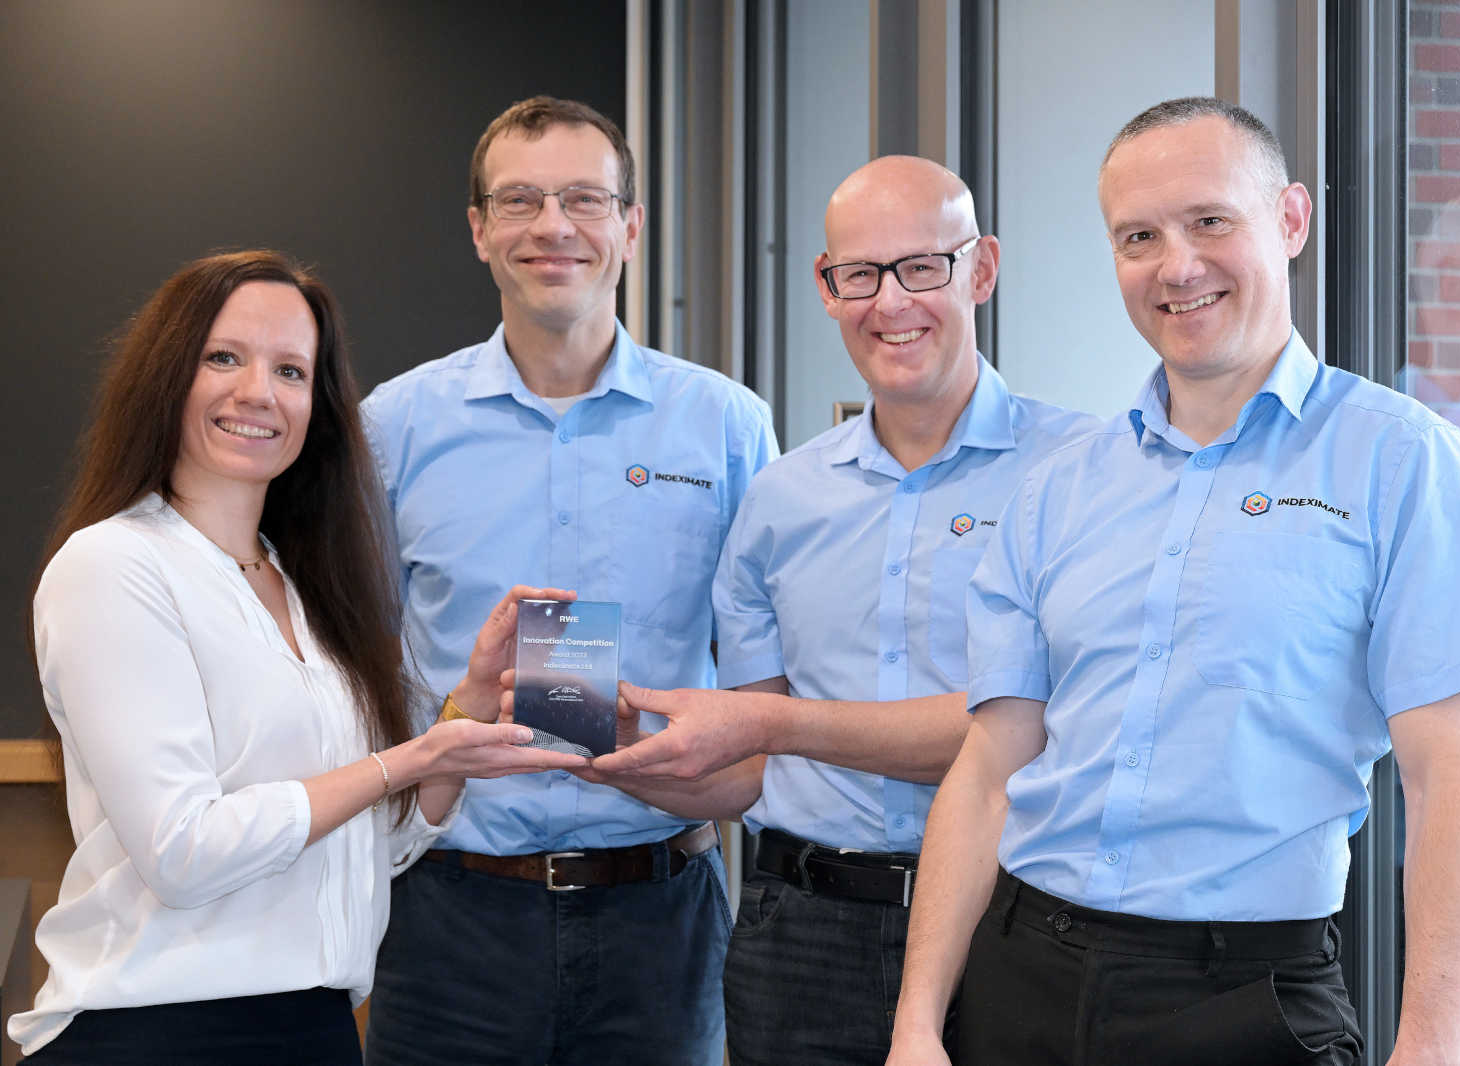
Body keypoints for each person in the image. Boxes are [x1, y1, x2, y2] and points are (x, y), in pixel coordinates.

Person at [887, 97, 1460, 1066]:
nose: (1176, 265)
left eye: (1209, 221)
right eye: (1138, 236)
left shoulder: (1400, 458)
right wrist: (918, 1024)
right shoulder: (1058, 484)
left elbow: (1451, 783)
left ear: (1291, 220)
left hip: (1241, 995)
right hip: (1018, 974)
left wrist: (1431, 1048)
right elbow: (986, 769)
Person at [581, 155, 1095, 1065]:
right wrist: (610, 754)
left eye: (922, 267)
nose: (889, 302)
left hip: (1013, 922)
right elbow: (746, 775)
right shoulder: (779, 500)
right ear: (826, 288)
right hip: (799, 935)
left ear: (981, 270)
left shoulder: (1082, 475)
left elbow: (1039, 725)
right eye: (859, 274)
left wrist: (771, 723)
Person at [10, 250, 582, 1065]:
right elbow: (183, 854)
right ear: (166, 376)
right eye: (223, 358)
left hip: (308, 1029)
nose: (258, 393)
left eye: (291, 370)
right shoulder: (112, 566)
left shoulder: (303, 589)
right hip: (154, 1033)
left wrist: (468, 712)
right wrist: (404, 760)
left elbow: (366, 851)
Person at [359, 96, 776, 1066]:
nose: (553, 226)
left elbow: (770, 681)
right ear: (478, 230)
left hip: (661, 920)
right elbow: (350, 664)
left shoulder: (725, 427)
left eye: (585, 199)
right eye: (521, 200)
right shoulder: (396, 426)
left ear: (631, 225)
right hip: (447, 916)